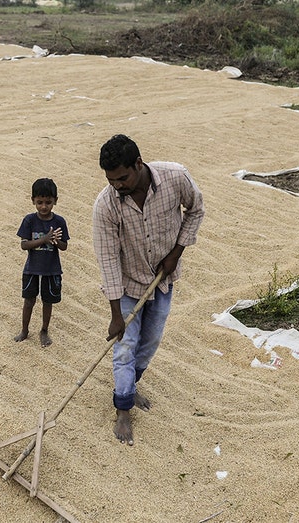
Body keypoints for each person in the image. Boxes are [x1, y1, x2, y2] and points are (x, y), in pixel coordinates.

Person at [92, 134, 205, 446]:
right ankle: (123, 406)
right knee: (125, 346)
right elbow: (108, 259)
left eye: (122, 178)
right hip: (128, 284)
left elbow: (196, 210)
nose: (117, 185)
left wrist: (176, 253)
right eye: (110, 180)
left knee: (150, 340)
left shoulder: (175, 177)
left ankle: (131, 383)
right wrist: (116, 315)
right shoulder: (106, 206)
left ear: (138, 164)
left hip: (162, 279)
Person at [14, 178, 70, 348]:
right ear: (33, 201)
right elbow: (24, 245)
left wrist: (55, 241)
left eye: (48, 202)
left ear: (55, 201)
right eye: (39, 202)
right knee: (29, 300)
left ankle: (44, 330)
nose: (44, 206)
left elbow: (64, 246)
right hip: (31, 269)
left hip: (51, 270)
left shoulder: (59, 222)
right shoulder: (29, 220)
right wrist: (44, 239)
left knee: (48, 301)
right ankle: (25, 330)